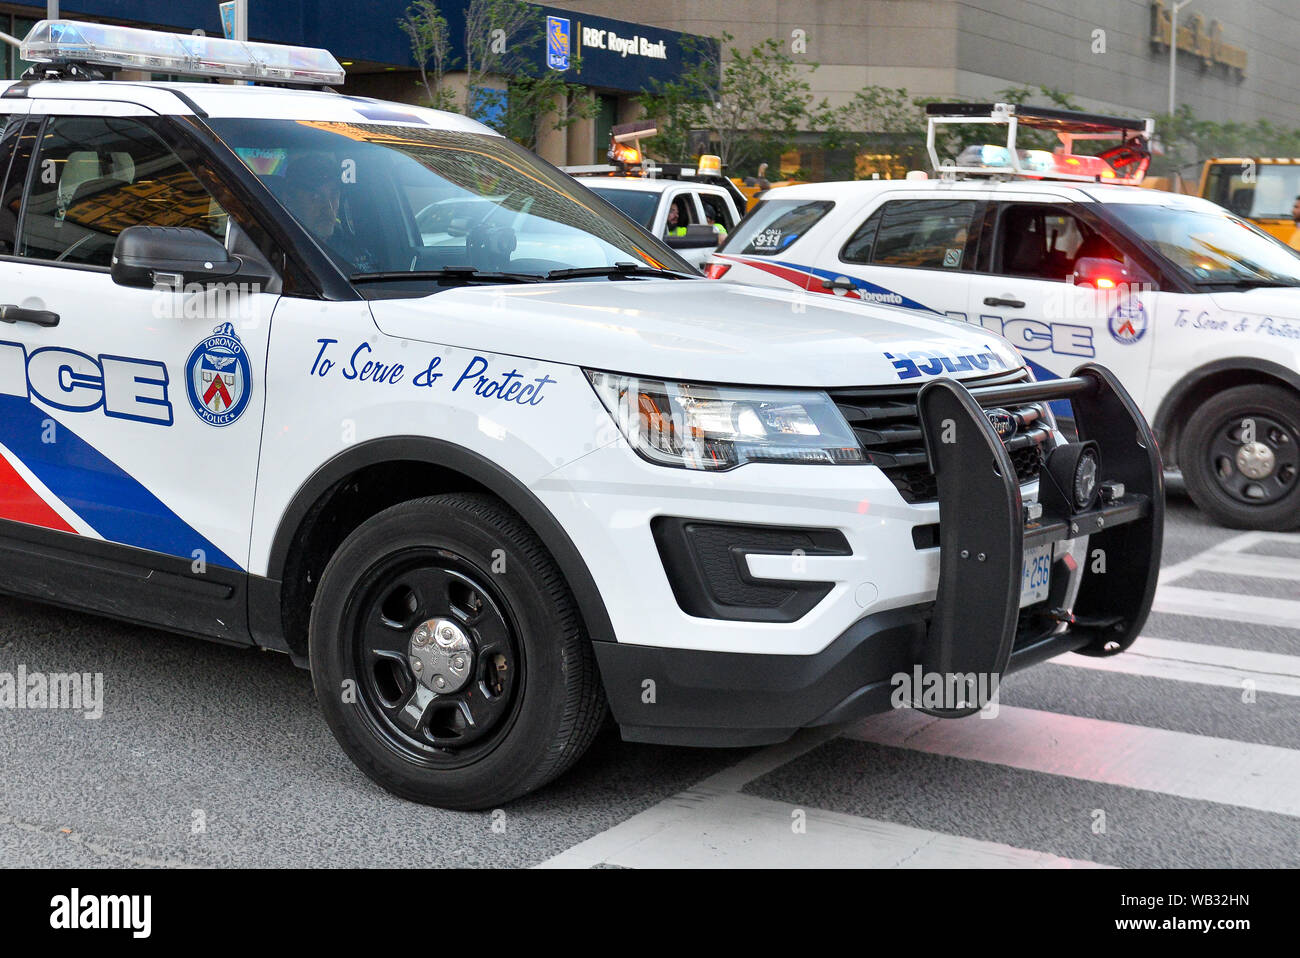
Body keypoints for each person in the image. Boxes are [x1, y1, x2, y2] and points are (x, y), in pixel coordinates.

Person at [280, 153, 376, 271]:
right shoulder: (274, 253)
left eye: (334, 195)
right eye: (315, 196)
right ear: (288, 200)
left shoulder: (353, 252)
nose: (328, 207)